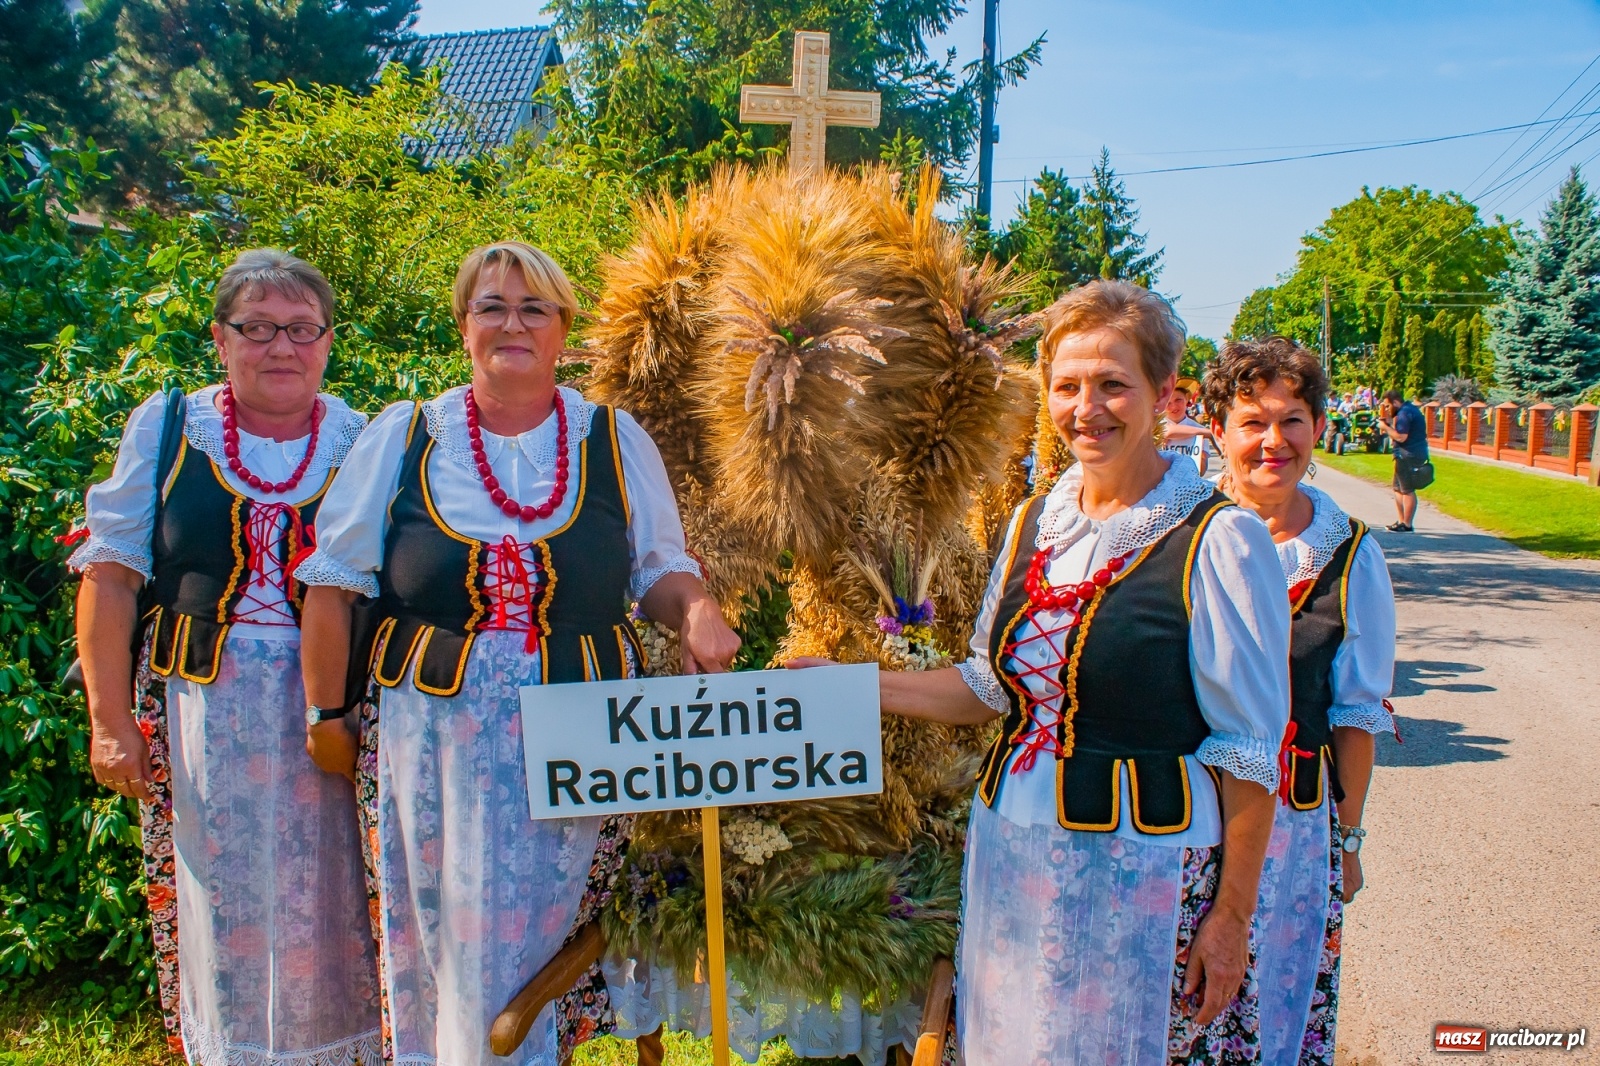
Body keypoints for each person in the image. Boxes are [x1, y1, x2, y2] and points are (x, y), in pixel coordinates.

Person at [792, 280, 1290, 1064]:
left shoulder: (1220, 542)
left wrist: (1230, 920)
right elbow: (988, 688)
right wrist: (851, 686)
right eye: (1066, 385)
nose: (1086, 408)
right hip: (1015, 859)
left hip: (1142, 874)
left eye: (1112, 384)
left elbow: (1252, 754)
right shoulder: (1037, 521)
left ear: (1163, 394)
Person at [295, 241, 741, 1066]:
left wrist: (698, 610)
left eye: (534, 307)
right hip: (431, 739)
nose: (512, 323)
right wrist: (327, 712)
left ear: (564, 330)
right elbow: (332, 586)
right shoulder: (405, 436)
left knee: (548, 932)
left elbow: (660, 570)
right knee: (441, 929)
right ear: (463, 325)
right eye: (491, 306)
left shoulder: (613, 438)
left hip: (581, 734)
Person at [71, 249, 379, 1063]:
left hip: (335, 710)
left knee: (337, 900)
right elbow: (109, 576)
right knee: (223, 902)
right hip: (203, 714)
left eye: (302, 329)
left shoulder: (367, 439)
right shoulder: (171, 426)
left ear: (328, 341)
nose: (282, 346)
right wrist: (109, 722)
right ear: (220, 338)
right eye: (259, 328)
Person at [1203, 337, 1396, 1066]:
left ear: (1318, 428)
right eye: (1252, 421)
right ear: (1218, 429)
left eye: (1292, 420)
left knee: (1273, 1005)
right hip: (1181, 814)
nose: (1272, 441)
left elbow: (1355, 714)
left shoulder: (1347, 555)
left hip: (1292, 829)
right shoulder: (1170, 535)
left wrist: (1348, 842)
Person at [1378, 388, 1428, 531]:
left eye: (1388, 405)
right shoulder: (1408, 410)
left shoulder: (1404, 413)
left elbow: (1401, 437)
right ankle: (1401, 521)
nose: (1387, 409)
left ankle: (1407, 524)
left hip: (1408, 455)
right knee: (1397, 488)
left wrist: (1385, 428)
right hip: (1406, 454)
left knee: (1407, 489)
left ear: (1395, 402)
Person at [1161, 374, 1211, 475]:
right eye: (1168, 403)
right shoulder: (1155, 429)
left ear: (1187, 400)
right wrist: (1209, 433)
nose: (1173, 406)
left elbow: (1202, 470)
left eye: (1178, 400)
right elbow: (1167, 432)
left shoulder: (1199, 429)